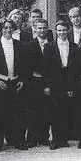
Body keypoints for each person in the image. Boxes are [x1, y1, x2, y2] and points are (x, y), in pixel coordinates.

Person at [0, 18, 29, 152]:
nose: (8, 30)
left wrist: (22, 79)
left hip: (15, 83)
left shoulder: (20, 45)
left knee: (16, 113)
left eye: (10, 27)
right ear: (0, 29)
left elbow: (25, 66)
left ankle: (17, 141)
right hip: (0, 83)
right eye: (5, 27)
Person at [25, 18, 56, 147]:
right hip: (35, 81)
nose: (42, 30)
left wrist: (48, 82)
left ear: (47, 29)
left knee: (47, 110)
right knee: (34, 110)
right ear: (35, 29)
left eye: (44, 28)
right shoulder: (29, 45)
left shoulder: (53, 45)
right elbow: (27, 66)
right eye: (39, 28)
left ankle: (44, 137)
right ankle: (32, 138)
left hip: (49, 81)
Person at [48, 20, 77, 149]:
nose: (62, 32)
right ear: (56, 31)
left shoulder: (74, 46)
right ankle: (56, 139)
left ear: (68, 30)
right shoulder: (49, 46)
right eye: (59, 30)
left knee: (67, 110)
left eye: (64, 30)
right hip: (55, 81)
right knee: (55, 111)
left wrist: (71, 86)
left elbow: (75, 68)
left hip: (68, 79)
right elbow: (46, 67)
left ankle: (64, 139)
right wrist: (47, 85)